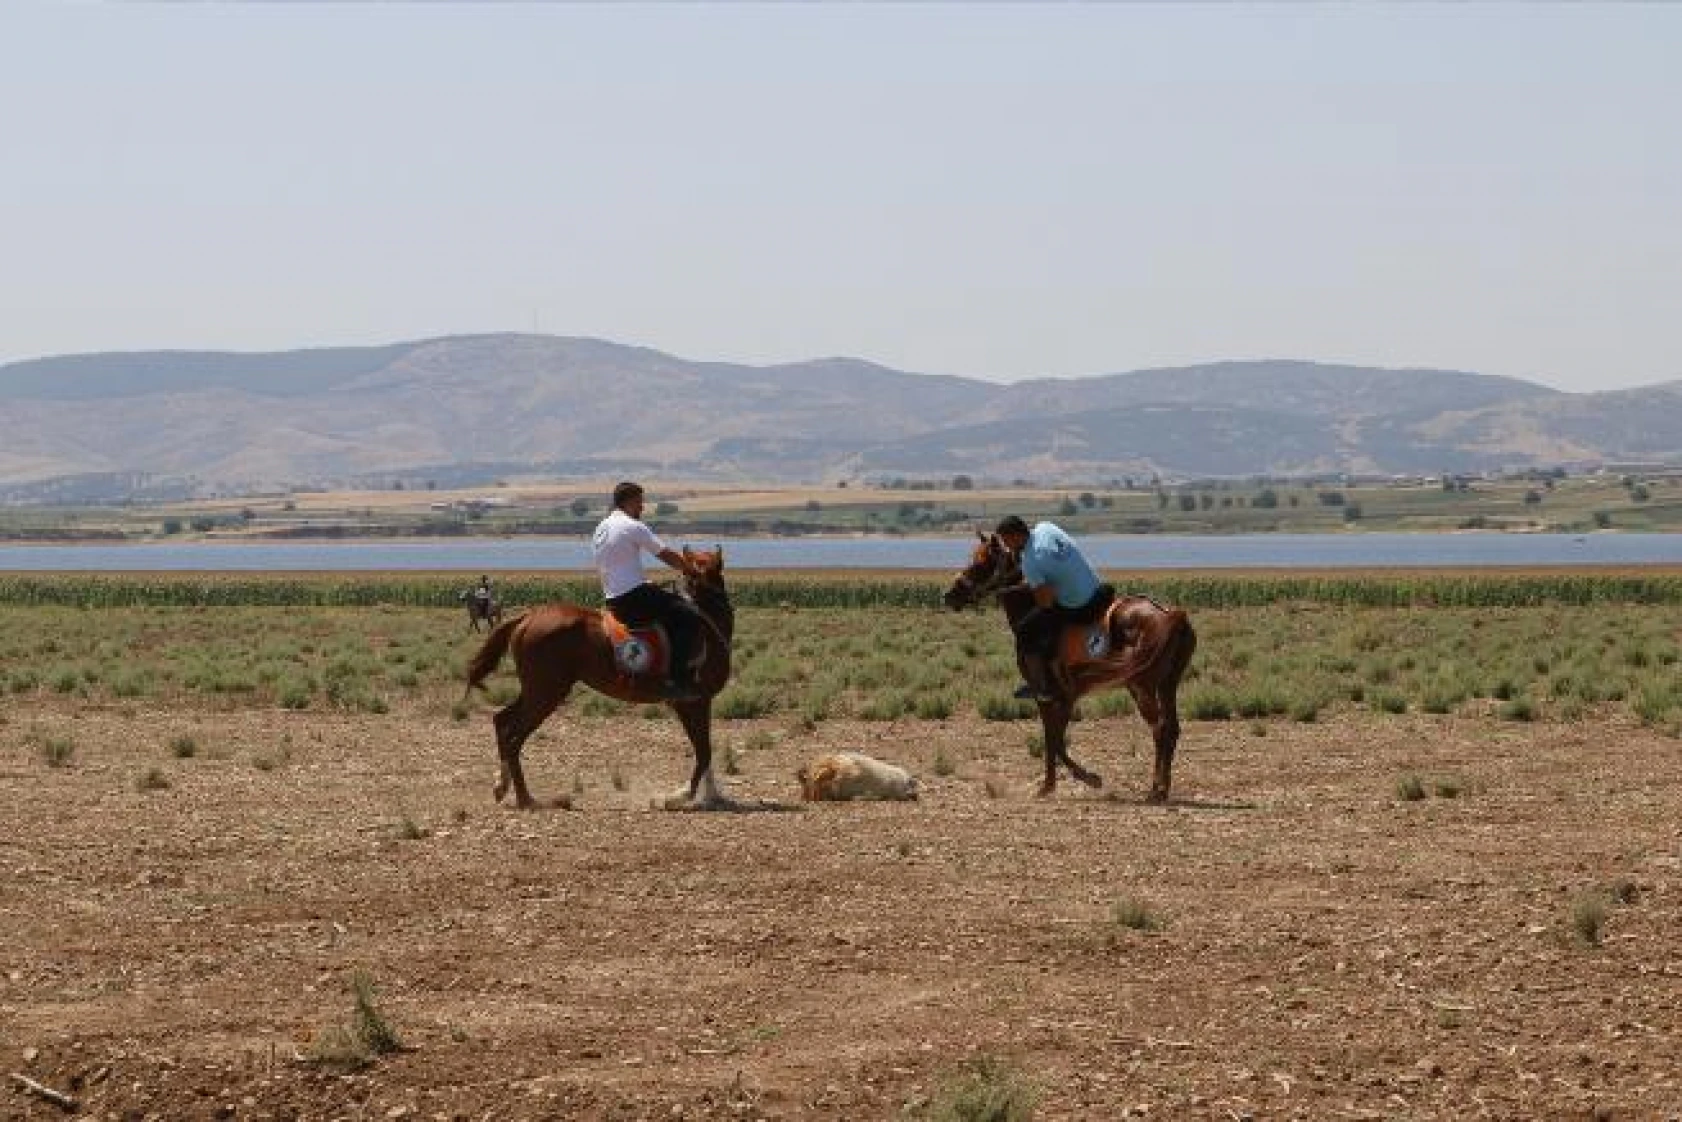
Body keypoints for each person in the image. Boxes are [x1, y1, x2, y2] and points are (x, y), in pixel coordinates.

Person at [591, 481, 701, 699]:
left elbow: (619, 566)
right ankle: (676, 681)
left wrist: (647, 583)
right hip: (633, 598)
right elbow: (665, 554)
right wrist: (690, 570)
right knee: (689, 614)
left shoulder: (602, 528)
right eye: (640, 502)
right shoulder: (632, 526)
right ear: (629, 501)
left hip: (613, 598)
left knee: (668, 603)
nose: (642, 507)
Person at [994, 515, 1115, 701]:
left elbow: (1045, 602)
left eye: (1005, 540)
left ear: (1015, 536)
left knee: (1025, 631)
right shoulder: (1046, 528)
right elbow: (1055, 565)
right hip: (1097, 589)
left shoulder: (1030, 562)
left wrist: (1020, 589)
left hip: (1081, 606)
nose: (1005, 545)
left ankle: (1042, 687)